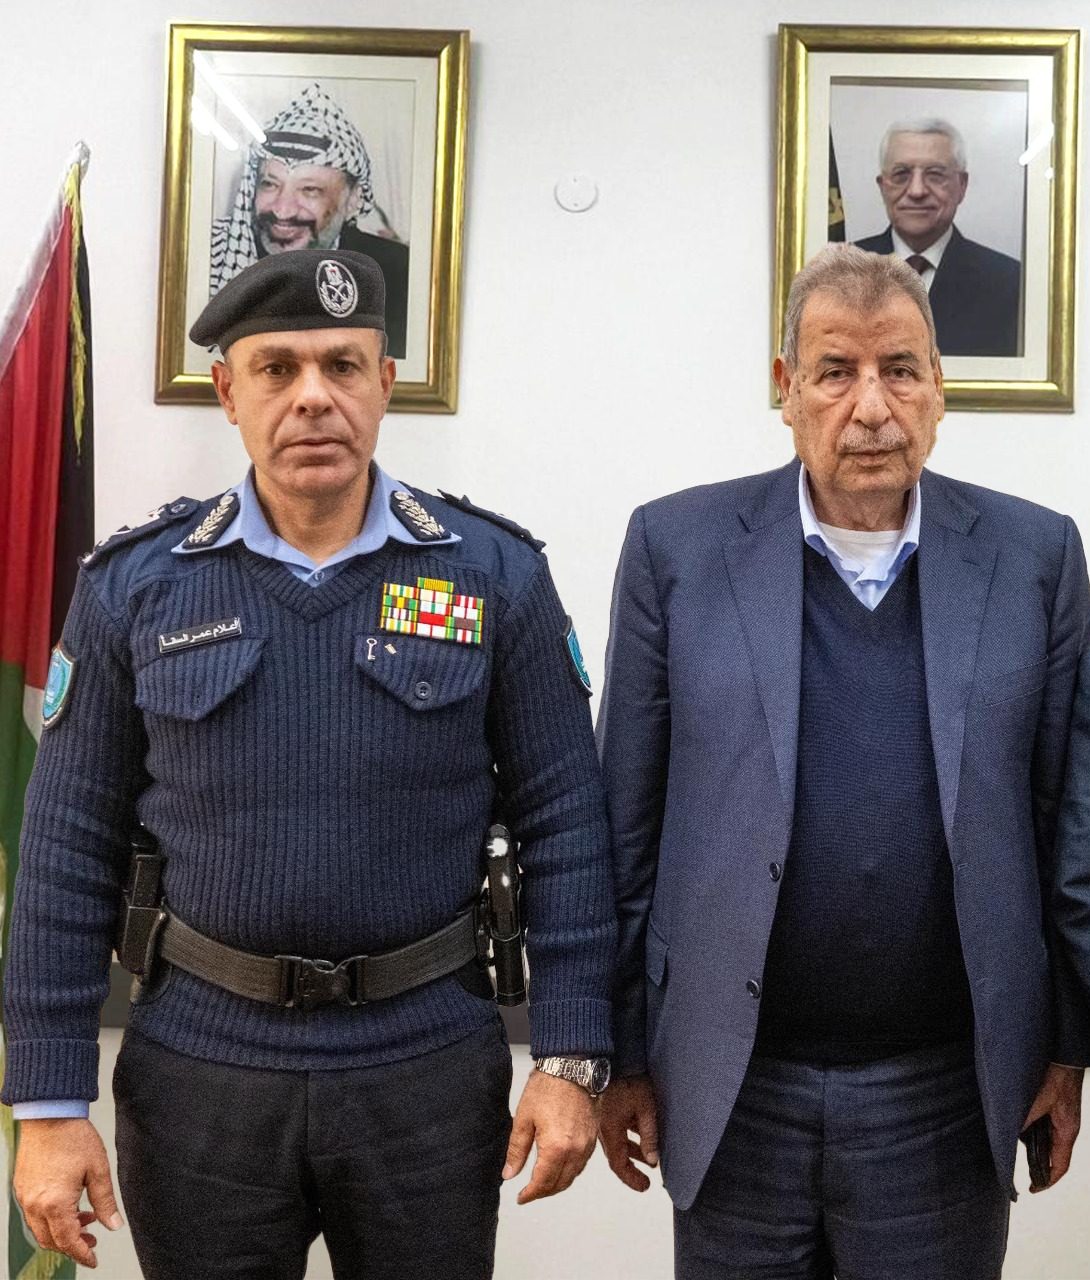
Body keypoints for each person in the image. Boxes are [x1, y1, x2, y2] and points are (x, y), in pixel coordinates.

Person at [3, 248, 616, 1279]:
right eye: (277, 368)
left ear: (385, 381)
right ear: (227, 391)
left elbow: (566, 823)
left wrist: (571, 1054)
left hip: (426, 1068)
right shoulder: (135, 587)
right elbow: (66, 850)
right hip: (202, 1073)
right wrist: (49, 1103)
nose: (313, 397)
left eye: (342, 364)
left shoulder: (491, 574)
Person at [596, 243, 1088, 1279]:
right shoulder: (677, 550)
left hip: (943, 1095)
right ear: (786, 388)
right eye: (835, 371)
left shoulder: (1036, 557)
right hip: (732, 1089)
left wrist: (1067, 1045)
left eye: (899, 369)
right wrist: (621, 1051)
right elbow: (625, 827)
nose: (871, 407)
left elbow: (1066, 820)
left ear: (938, 384)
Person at [210, 83, 410, 358]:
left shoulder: (398, 274)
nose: (282, 210)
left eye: (310, 190)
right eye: (270, 184)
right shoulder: (217, 254)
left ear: (353, 199)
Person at [854, 118, 1022, 357]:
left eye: (935, 175)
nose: (917, 191)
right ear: (883, 187)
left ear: (961, 186)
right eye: (901, 174)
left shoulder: (1010, 283)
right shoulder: (838, 272)